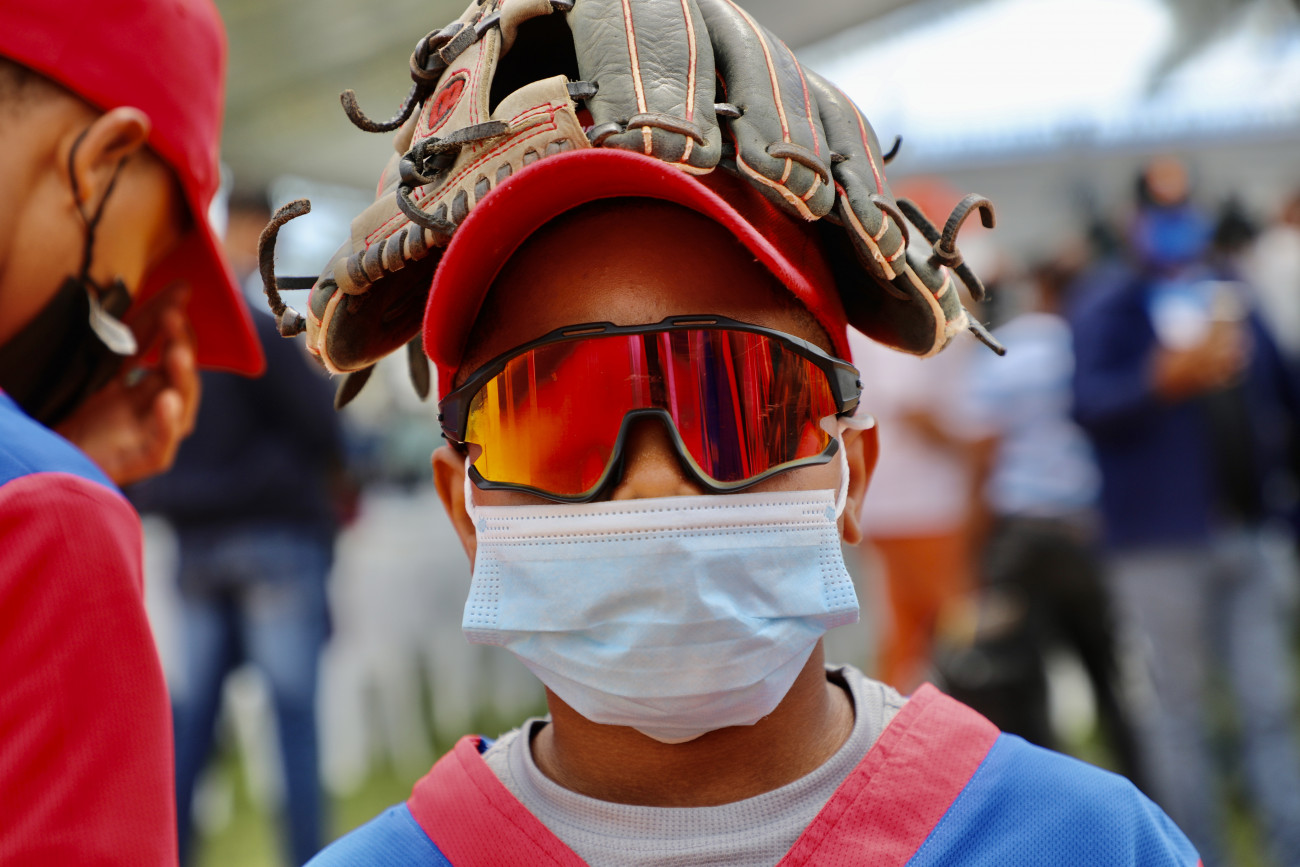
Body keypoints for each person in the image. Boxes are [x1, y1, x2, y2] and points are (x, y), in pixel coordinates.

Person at [275, 2, 1196, 863]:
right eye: (553, 420)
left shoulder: (1087, 842)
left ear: (852, 472)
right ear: (466, 512)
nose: (653, 480)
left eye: (734, 402)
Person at [0, 1, 263, 863]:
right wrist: (57, 490)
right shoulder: (46, 520)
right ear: (98, 163)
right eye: (123, 285)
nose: (116, 340)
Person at [1071, 154, 1300, 866]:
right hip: (1158, 543)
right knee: (1180, 714)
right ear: (1133, 220)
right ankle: (1193, 854)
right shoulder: (1107, 302)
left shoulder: (1229, 288)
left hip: (1245, 528)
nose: (1174, 226)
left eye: (1182, 211)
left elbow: (1282, 392)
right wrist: (1162, 379)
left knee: (1268, 706)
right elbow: (1088, 405)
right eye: (1160, 213)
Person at [130, 197, 351, 867]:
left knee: (193, 720)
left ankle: (167, 852)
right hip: (272, 541)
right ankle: (308, 857)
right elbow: (324, 427)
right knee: (291, 718)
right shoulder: (248, 331)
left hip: (196, 544)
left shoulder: (165, 346)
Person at [945, 259, 1140, 783]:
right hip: (1086, 530)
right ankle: (1141, 790)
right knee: (1110, 676)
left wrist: (970, 552)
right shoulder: (1084, 346)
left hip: (1021, 536)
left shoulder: (1000, 354)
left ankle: (1046, 795)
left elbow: (984, 460)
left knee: (1024, 684)